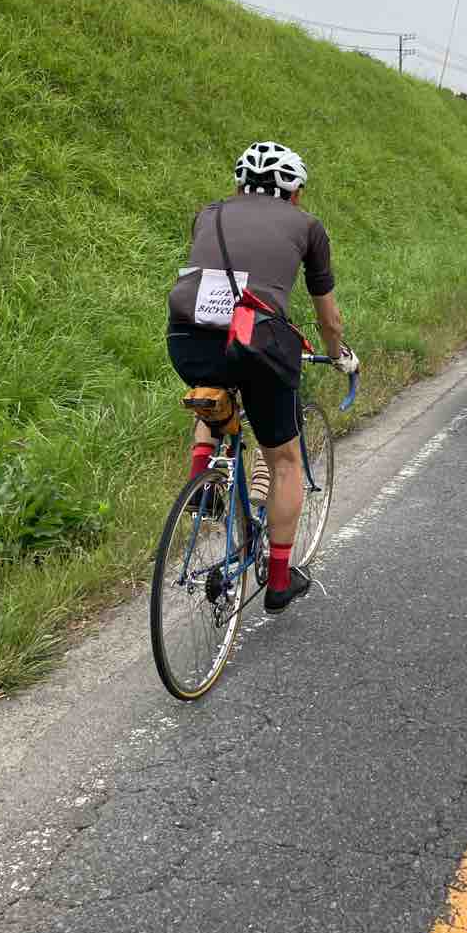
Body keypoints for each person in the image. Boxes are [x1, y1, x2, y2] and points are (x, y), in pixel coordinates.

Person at [166, 142, 359, 615]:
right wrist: (339, 356)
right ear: (295, 193)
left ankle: (203, 480)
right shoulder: (308, 226)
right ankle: (279, 580)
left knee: (215, 388)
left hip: (185, 336)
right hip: (256, 340)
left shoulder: (207, 214)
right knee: (285, 460)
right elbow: (328, 319)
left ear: (239, 186)